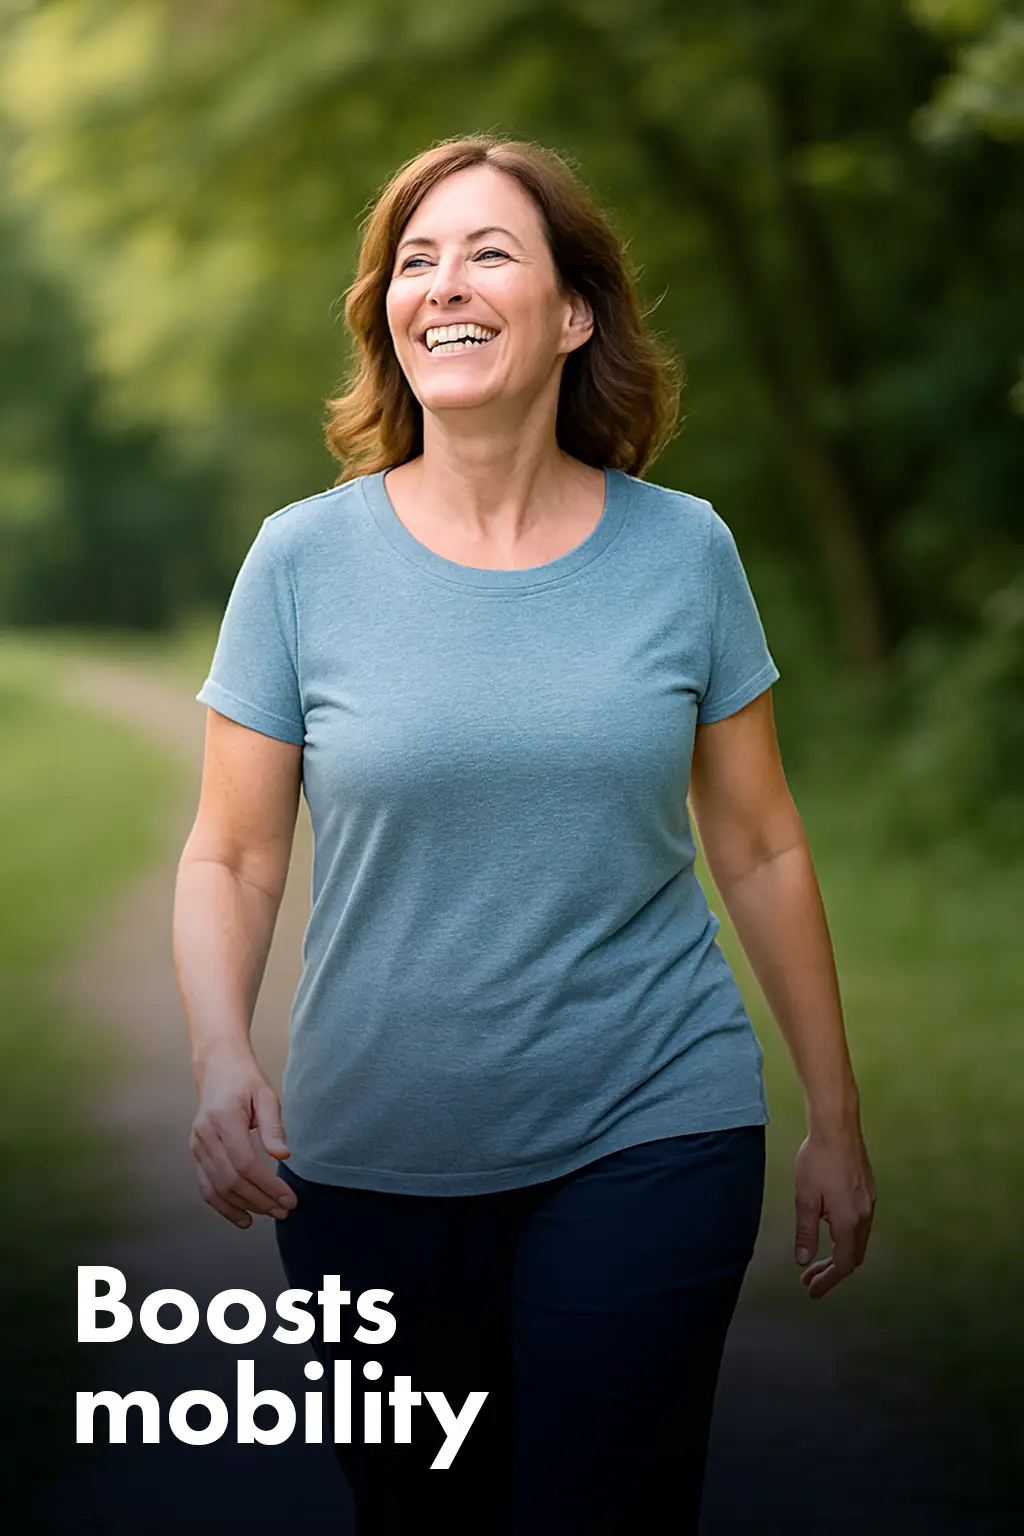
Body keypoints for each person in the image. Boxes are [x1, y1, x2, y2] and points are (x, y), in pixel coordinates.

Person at [173, 134, 876, 1534]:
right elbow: (234, 855)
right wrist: (218, 1051)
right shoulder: (301, 561)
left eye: (490, 251)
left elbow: (760, 845)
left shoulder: (687, 552)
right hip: (372, 1158)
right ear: (387, 317)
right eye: (414, 262)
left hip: (654, 1119)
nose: (446, 284)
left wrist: (835, 1122)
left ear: (572, 316)